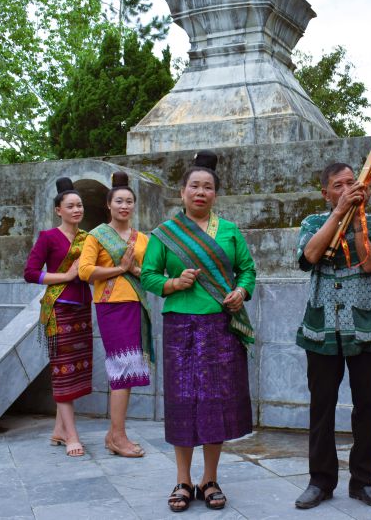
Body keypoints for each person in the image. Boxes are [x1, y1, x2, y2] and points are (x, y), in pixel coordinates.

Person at [141, 150, 256, 513]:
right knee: (182, 403)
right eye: (194, 186)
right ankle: (182, 480)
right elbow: (148, 276)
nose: (200, 192)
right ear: (183, 191)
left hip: (219, 327)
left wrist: (240, 291)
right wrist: (174, 283)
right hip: (179, 327)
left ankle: (209, 478)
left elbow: (247, 271)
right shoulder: (165, 234)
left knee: (214, 404)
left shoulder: (229, 232)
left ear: (215, 194)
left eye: (207, 187)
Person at [293, 161, 371, 510]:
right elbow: (310, 255)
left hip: (364, 328)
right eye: (340, 185)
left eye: (354, 183)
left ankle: (364, 481)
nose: (350, 189)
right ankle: (320, 481)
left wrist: (356, 221)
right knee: (322, 407)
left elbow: (370, 263)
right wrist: (338, 214)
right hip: (321, 330)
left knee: (367, 407)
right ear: (326, 192)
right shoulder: (312, 223)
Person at [78, 171, 153, 459]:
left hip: (135, 304)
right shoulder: (96, 236)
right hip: (111, 306)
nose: (124, 206)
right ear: (108, 205)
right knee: (122, 369)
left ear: (134, 206)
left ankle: (115, 433)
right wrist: (120, 269)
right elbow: (85, 272)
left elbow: (151, 274)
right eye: (119, 201)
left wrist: (133, 270)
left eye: (129, 201)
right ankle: (118, 437)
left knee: (130, 369)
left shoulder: (142, 239)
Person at [23, 177, 93, 457]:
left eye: (80, 205)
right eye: (71, 206)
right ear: (58, 211)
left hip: (83, 309)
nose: (77, 210)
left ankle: (57, 430)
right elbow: (29, 272)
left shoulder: (88, 239)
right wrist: (65, 276)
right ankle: (71, 436)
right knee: (62, 372)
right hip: (59, 310)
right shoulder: (48, 238)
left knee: (76, 369)